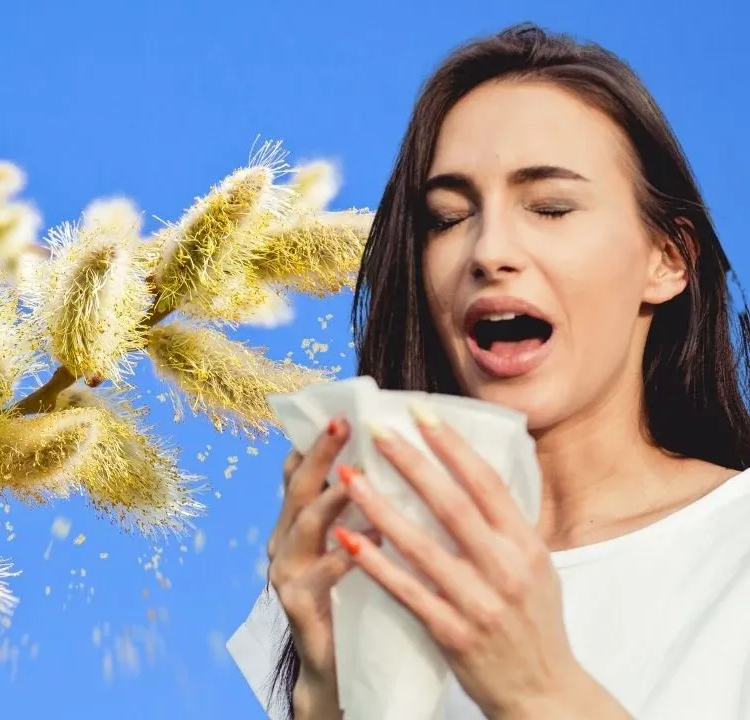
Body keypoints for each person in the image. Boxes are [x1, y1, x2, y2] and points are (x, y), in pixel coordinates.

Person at [227, 22, 750, 720]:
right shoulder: (365, 568)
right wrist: (326, 690)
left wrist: (539, 690)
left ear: (667, 259)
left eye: (551, 207)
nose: (488, 249)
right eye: (447, 218)